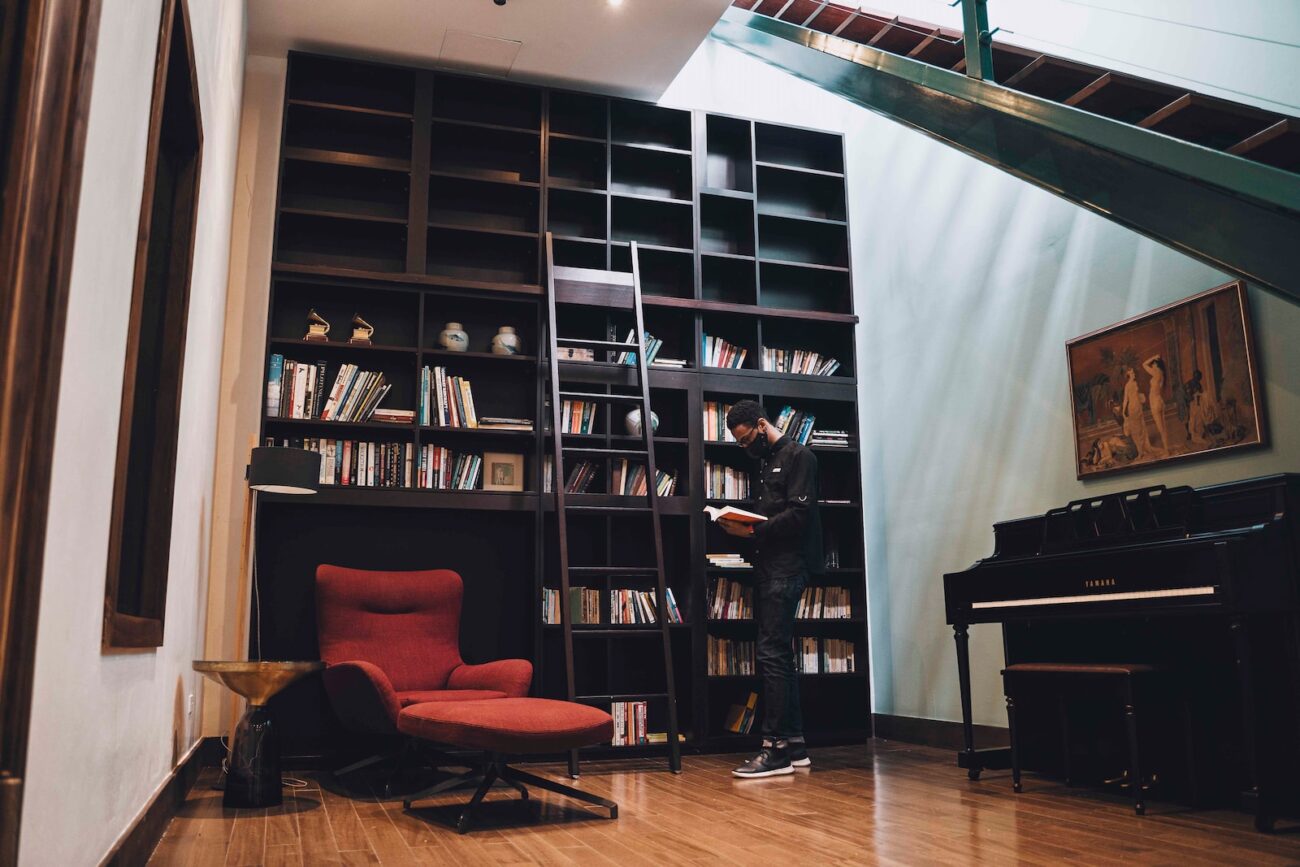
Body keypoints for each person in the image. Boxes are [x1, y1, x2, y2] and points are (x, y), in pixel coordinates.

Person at [719, 400, 822, 778]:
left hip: (788, 567)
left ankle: (775, 749)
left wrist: (751, 530)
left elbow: (799, 514)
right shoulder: (765, 463)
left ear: (761, 425)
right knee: (778, 654)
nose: (746, 448)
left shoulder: (800, 456)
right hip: (769, 567)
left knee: (772, 654)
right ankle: (795, 747)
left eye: (747, 439)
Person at [1143, 355, 1171, 455]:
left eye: (1153, 363)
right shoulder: (1162, 374)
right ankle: (1167, 449)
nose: (1152, 365)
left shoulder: (1156, 372)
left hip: (1155, 402)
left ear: (1156, 364)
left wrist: (1153, 356)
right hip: (1160, 401)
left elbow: (1144, 364)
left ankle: (1167, 452)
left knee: (1160, 429)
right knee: (1163, 428)